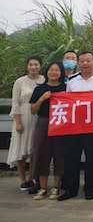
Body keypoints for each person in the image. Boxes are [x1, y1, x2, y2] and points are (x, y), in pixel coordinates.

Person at [58, 51, 93, 201]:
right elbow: (66, 101)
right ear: (78, 63)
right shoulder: (71, 79)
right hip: (74, 125)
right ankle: (71, 189)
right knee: (71, 157)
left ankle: (90, 188)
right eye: (82, 61)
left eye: (88, 61)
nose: (85, 63)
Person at [29, 61, 67, 200]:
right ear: (47, 72)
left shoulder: (66, 88)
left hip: (61, 123)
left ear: (61, 73)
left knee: (59, 155)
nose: (54, 72)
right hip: (43, 123)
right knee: (42, 154)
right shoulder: (40, 88)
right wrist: (42, 99)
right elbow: (33, 110)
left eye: (57, 70)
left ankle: (56, 187)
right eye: (51, 70)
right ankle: (43, 188)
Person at [7, 56, 44, 191]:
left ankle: (31, 178)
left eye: (36, 64)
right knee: (20, 149)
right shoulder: (20, 82)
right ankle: (22, 179)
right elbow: (15, 103)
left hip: (38, 118)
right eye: (31, 64)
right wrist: (18, 122)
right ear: (27, 66)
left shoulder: (44, 80)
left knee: (35, 149)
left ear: (40, 66)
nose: (33, 67)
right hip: (23, 117)